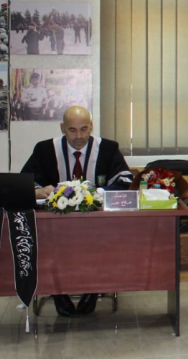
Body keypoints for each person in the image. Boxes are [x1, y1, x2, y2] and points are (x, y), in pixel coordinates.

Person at [21, 106, 133, 317]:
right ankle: (57, 292)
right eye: (72, 130)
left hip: (96, 225)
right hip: (55, 226)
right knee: (45, 242)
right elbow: (25, 181)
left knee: (104, 243)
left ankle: (93, 288)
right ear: (62, 128)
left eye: (84, 129)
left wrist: (96, 193)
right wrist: (39, 191)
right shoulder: (45, 149)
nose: (79, 136)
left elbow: (125, 180)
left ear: (91, 126)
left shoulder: (108, 148)